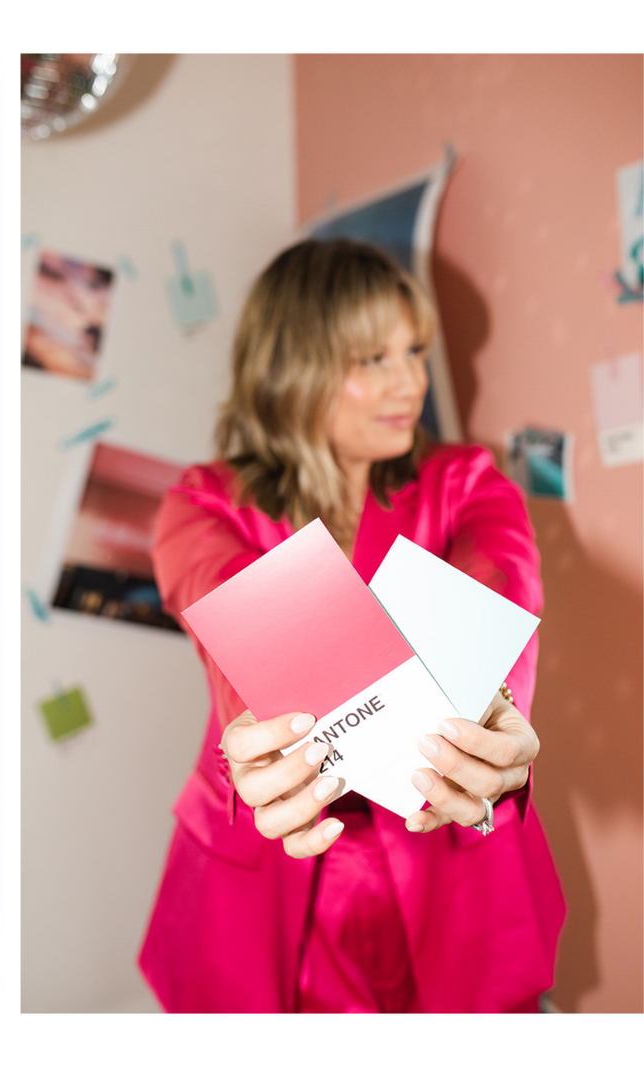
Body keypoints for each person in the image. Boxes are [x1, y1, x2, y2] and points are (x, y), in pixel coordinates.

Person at [138, 239, 564, 1012]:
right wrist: (262, 754)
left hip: (451, 869)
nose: (412, 382)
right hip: (267, 878)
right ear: (292, 368)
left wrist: (498, 721)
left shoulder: (467, 484)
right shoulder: (203, 505)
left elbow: (498, 596)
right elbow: (243, 649)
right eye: (372, 358)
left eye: (415, 350)